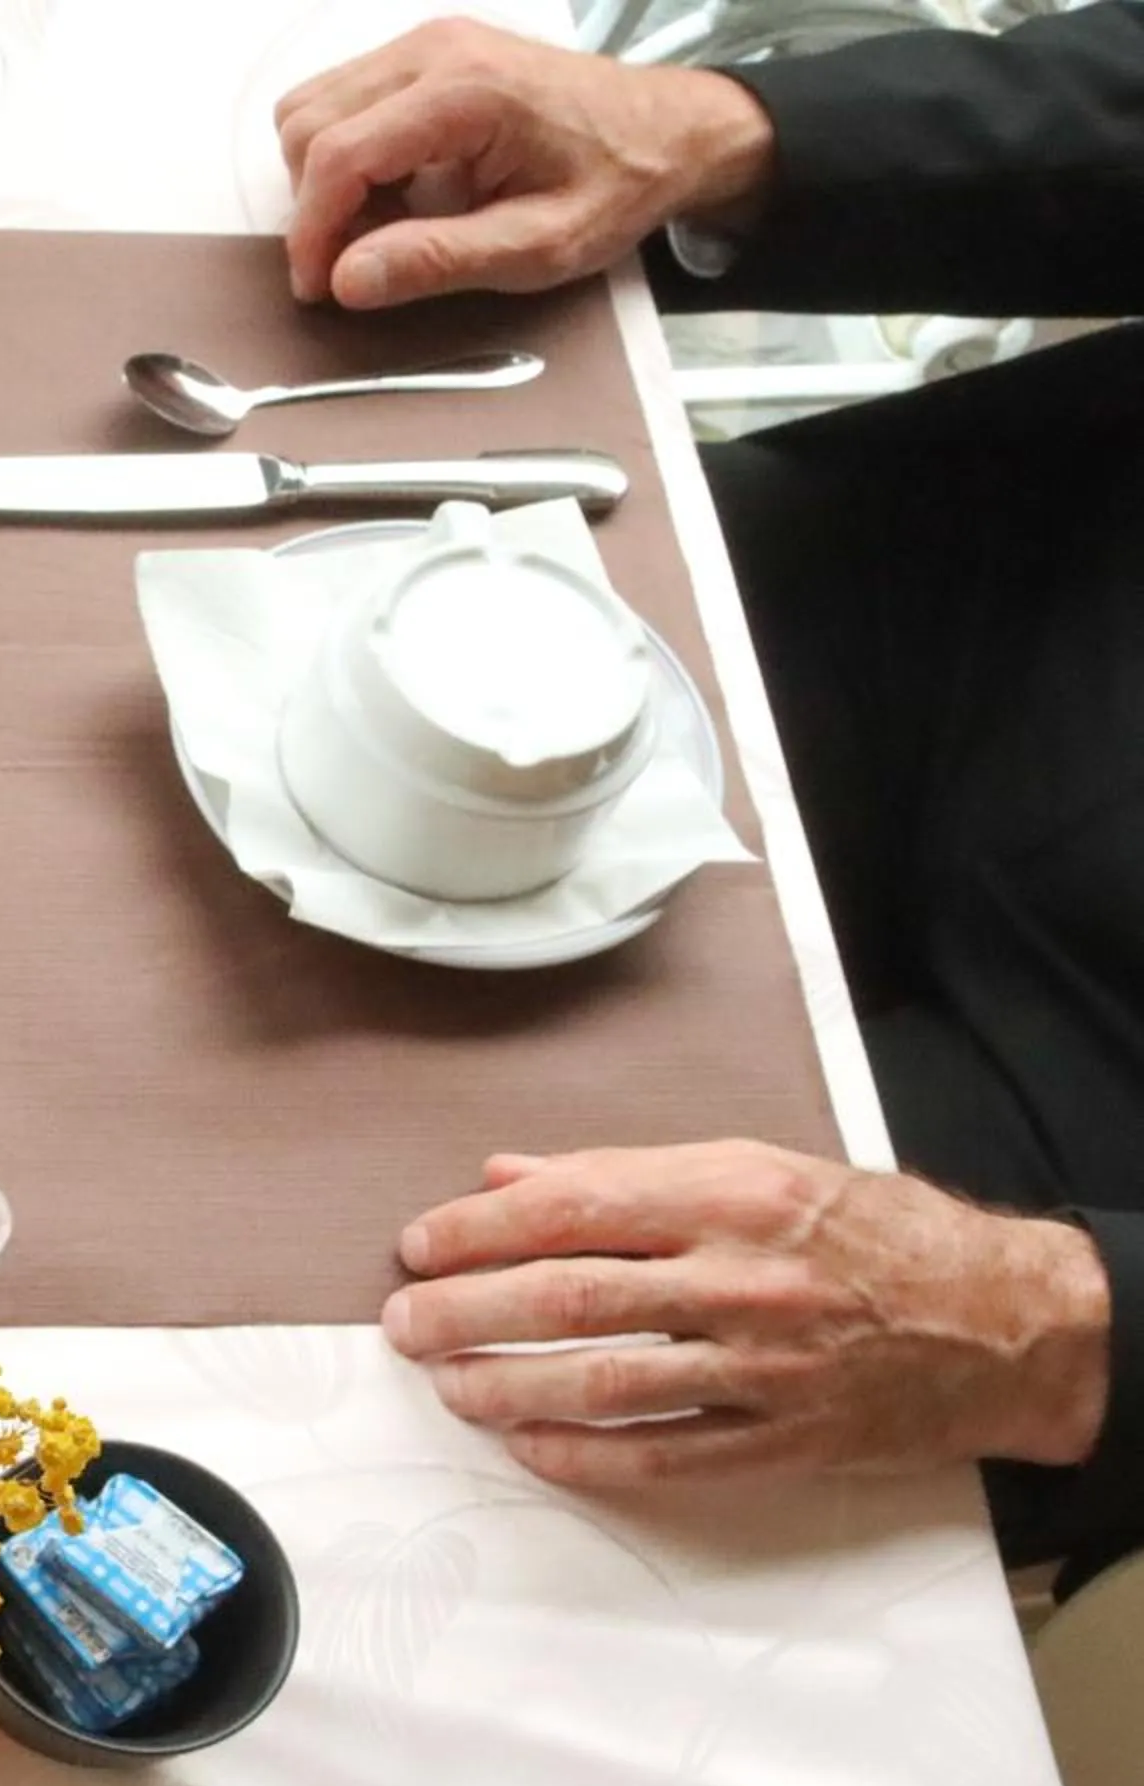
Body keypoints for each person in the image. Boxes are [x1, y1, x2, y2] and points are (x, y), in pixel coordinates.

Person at [273, 7, 1144, 1584]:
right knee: (279, 707)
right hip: (992, 583)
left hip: (1100, 1135)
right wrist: (731, 133)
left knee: (386, 1360)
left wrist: (1071, 1326)